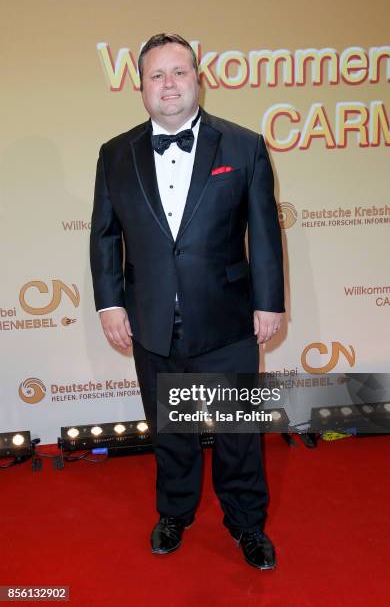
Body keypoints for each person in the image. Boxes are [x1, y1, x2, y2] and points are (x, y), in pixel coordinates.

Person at [90, 33, 285, 570]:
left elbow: (264, 233)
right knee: (171, 430)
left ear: (197, 80)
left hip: (226, 323)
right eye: (157, 75)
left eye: (179, 72)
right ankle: (175, 513)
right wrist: (110, 304)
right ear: (142, 88)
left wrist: (269, 301)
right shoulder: (116, 153)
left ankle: (246, 525)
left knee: (236, 435)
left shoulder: (242, 145)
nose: (168, 84)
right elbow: (104, 235)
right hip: (153, 323)